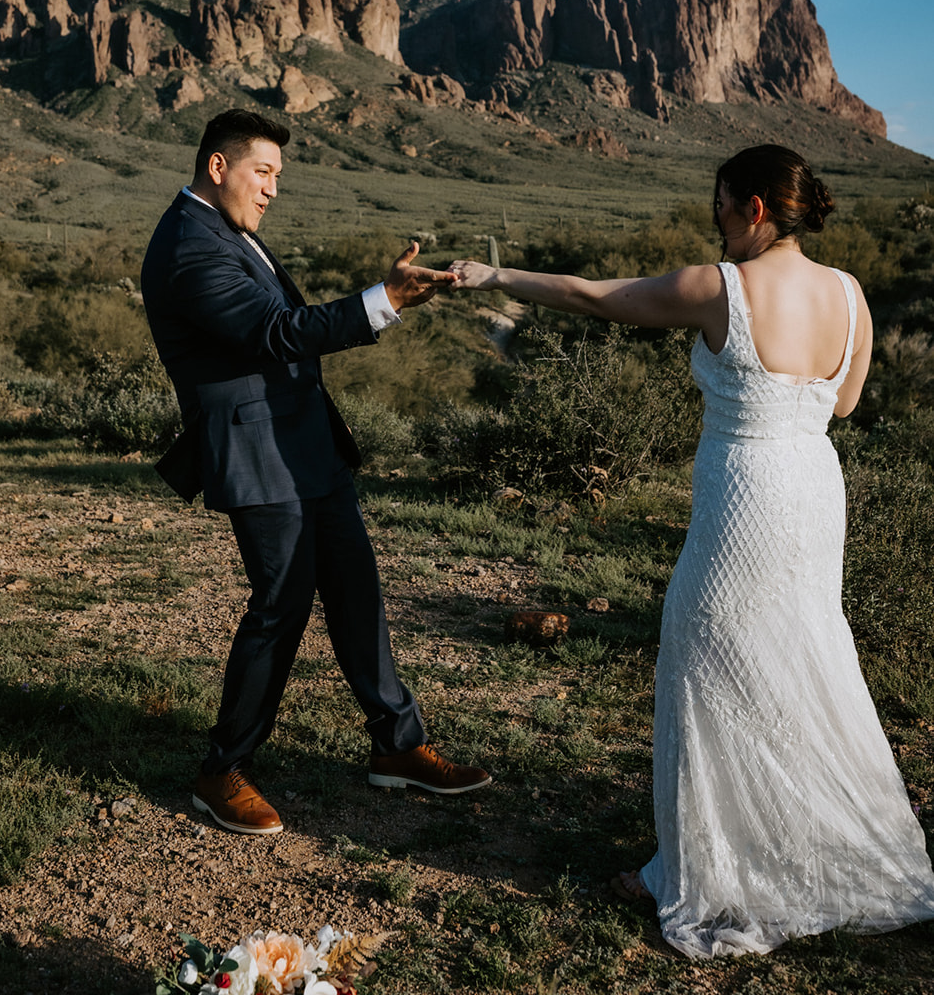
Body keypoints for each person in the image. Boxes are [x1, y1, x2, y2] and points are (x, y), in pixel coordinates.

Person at [450, 144, 934, 959]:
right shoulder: (851, 295)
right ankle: (810, 843)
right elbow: (844, 405)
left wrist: (497, 280)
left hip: (746, 497)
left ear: (751, 209)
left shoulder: (722, 286)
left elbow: (595, 297)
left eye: (718, 204)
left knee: (706, 659)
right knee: (804, 654)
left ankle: (701, 866)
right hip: (815, 491)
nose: (711, 219)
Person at [141, 108, 490, 837]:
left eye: (276, 176)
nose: (271, 190)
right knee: (282, 608)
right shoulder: (187, 246)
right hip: (258, 455)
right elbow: (276, 334)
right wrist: (384, 301)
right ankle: (221, 769)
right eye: (262, 172)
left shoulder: (229, 233)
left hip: (306, 447)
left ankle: (396, 747)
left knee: (356, 588)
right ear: (218, 167)